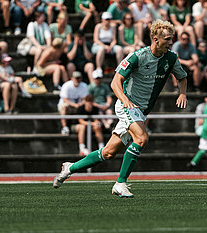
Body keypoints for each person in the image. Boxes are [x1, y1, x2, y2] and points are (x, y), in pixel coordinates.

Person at [53, 19, 188, 198]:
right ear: (155, 39)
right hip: (127, 104)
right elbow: (116, 81)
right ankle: (120, 183)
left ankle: (70, 168)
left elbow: (182, 77)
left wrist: (183, 93)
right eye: (168, 39)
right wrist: (125, 100)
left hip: (141, 111)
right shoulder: (137, 56)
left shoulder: (171, 58)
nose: (171, 43)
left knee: (108, 153)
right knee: (141, 138)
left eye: (172, 39)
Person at [57, 71, 88, 135]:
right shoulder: (66, 85)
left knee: (87, 106)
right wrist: (74, 105)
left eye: (79, 78)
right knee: (64, 108)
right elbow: (64, 99)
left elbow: (85, 99)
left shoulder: (84, 86)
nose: (77, 80)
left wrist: (80, 104)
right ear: (72, 78)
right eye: (76, 78)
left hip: (78, 105)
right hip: (67, 104)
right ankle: (64, 127)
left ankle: (86, 125)